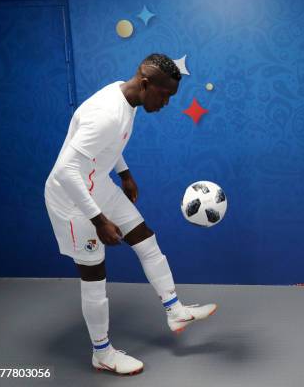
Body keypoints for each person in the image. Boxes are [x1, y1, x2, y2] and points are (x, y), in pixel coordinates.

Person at [45, 53, 217, 374]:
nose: (166, 103)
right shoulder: (107, 113)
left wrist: (124, 173)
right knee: (94, 276)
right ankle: (102, 353)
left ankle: (175, 310)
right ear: (146, 83)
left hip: (97, 181)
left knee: (145, 238)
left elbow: (109, 144)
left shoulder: (126, 96)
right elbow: (66, 170)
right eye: (164, 95)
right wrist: (98, 220)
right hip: (72, 198)